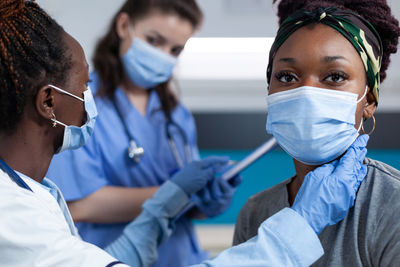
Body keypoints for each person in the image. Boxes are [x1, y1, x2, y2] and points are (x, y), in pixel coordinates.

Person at [46, 1, 239, 266]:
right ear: (124, 26)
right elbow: (78, 205)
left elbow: (188, 208)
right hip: (114, 257)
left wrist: (206, 201)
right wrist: (174, 193)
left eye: (175, 49)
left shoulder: (177, 115)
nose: (163, 54)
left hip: (181, 258)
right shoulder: (80, 102)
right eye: (154, 40)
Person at [233, 0, 400, 266]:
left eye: (334, 77)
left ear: (368, 100)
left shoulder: (391, 205)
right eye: (287, 77)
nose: (306, 94)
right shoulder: (256, 212)